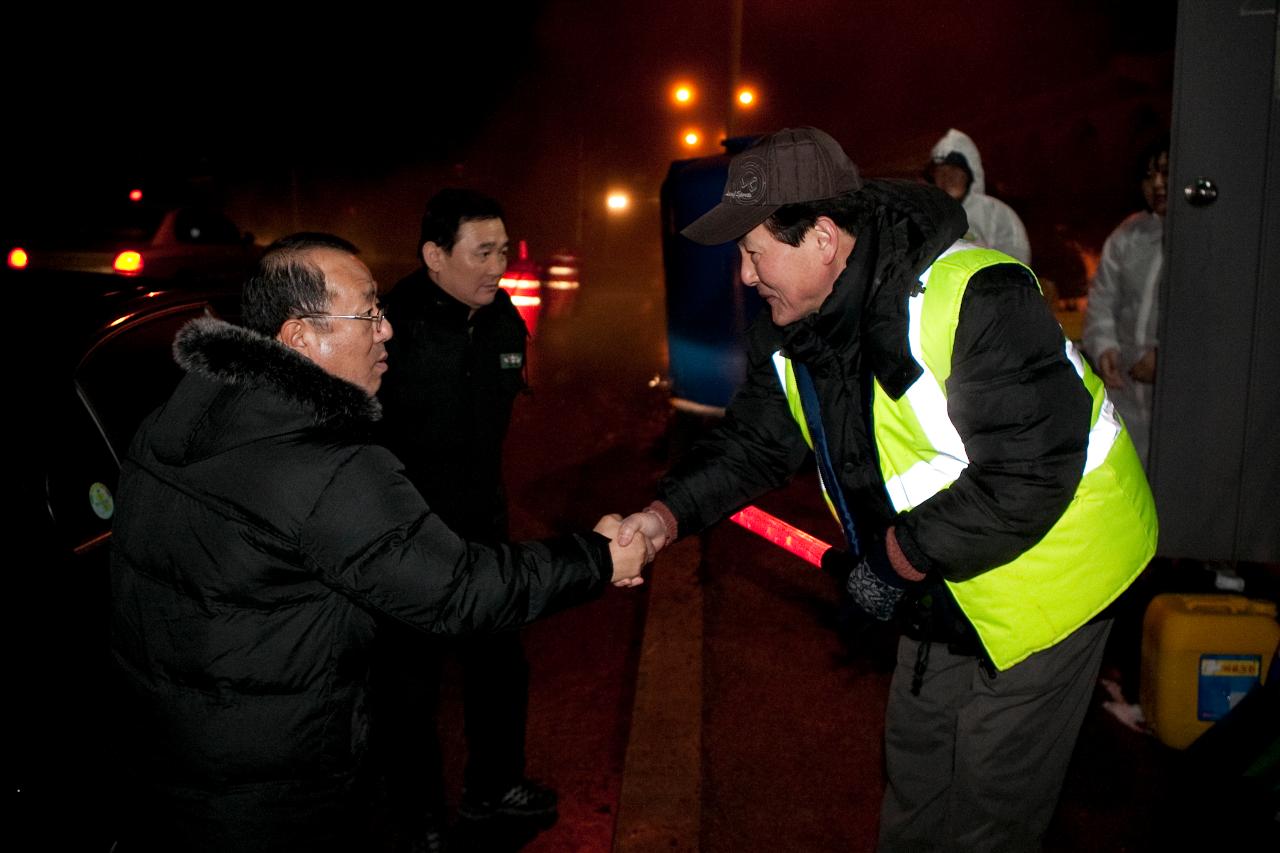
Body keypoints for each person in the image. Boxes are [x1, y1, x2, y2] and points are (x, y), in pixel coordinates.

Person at [616, 128, 1157, 851]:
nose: (744, 276)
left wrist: (897, 554)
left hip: (1055, 577)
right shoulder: (794, 332)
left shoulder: (975, 297)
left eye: (754, 252)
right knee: (916, 770)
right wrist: (661, 517)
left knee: (988, 808)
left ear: (825, 239)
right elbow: (749, 444)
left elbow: (1029, 470)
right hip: (942, 582)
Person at [108, 233, 646, 853]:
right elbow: (459, 591)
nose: (386, 330)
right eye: (367, 313)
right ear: (298, 339)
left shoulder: (177, 414)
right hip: (272, 800)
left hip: (163, 775)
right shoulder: (324, 467)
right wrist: (601, 557)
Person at [372, 189, 547, 849]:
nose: (497, 266)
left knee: (500, 665)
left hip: (483, 528)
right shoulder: (392, 327)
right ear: (434, 255)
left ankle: (492, 788)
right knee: (408, 687)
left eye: (502, 250)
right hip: (409, 534)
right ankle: (418, 817)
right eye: (482, 252)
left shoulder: (502, 319)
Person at [1082, 137, 1169, 469]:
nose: (1157, 184)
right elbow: (1104, 297)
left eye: (1165, 172)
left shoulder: (1205, 238)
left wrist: (1165, 360)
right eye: (1149, 176)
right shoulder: (1129, 236)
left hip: (1182, 397)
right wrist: (1105, 347)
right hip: (1127, 387)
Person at [926, 127, 1032, 264]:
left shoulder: (996, 214)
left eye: (954, 170)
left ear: (970, 175)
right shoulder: (926, 214)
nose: (947, 178)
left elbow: (1016, 262)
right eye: (941, 172)